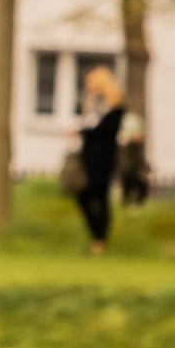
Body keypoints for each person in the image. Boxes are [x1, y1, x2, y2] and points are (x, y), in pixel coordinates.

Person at [75, 66, 125, 255]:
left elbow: (106, 132)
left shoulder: (115, 107)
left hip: (104, 159)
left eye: (90, 82)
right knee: (84, 196)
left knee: (100, 197)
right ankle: (96, 237)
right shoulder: (92, 105)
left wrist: (83, 132)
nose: (87, 86)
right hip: (87, 157)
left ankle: (100, 240)